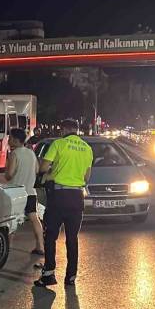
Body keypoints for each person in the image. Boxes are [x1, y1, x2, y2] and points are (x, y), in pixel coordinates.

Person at [35, 119, 93, 287]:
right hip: (77, 197)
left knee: (51, 236)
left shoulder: (58, 144)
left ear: (64, 130)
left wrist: (52, 173)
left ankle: (49, 274)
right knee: (72, 238)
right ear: (77, 130)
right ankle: (71, 276)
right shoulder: (87, 149)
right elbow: (86, 178)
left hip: (59, 196)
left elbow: (43, 168)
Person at [4, 128, 44, 256]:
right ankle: (40, 246)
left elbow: (9, 175)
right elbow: (37, 170)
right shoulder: (31, 153)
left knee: (12, 219)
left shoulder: (14, 154)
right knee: (34, 218)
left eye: (10, 138)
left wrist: (6, 172)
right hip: (30, 192)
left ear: (16, 140)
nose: (9, 140)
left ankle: (8, 247)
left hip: (16, 193)